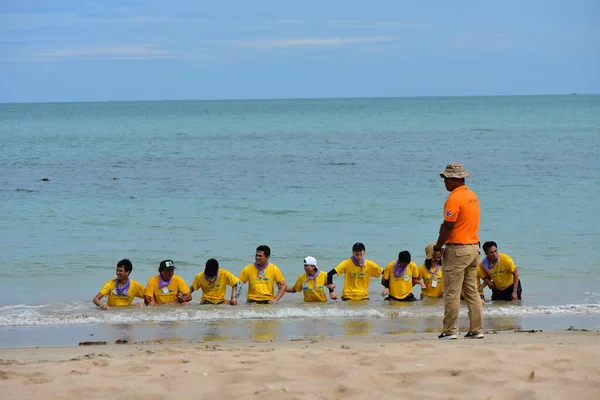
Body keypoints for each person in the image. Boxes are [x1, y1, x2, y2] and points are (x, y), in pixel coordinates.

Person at [432, 163, 484, 340]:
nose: (444, 182)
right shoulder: (472, 196)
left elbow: (447, 226)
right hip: (473, 248)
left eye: (446, 179)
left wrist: (437, 248)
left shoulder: (454, 199)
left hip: (458, 249)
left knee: (452, 292)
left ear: (456, 179)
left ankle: (449, 330)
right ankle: (477, 329)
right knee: (471, 292)